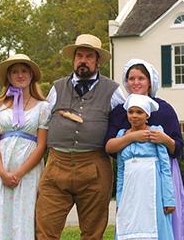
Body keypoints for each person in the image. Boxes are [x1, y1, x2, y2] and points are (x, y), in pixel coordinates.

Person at [35, 34, 125, 240]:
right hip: (56, 165)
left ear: (98, 61)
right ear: (73, 59)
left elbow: (127, 122)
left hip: (94, 168)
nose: (83, 61)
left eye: (89, 57)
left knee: (93, 234)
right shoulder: (57, 88)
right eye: (79, 56)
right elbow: (41, 122)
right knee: (45, 231)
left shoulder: (113, 91)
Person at [105, 59, 184, 240]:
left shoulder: (165, 110)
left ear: (150, 81)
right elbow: (110, 146)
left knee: (161, 221)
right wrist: (132, 137)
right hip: (132, 176)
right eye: (131, 78)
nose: (136, 83)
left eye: (141, 78)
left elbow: (178, 147)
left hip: (161, 174)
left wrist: (165, 139)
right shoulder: (121, 112)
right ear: (126, 81)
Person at [0, 54, 50, 240]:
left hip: (28, 171)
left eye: (24, 71)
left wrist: (20, 172)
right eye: (15, 71)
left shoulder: (42, 108)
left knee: (25, 211)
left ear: (31, 75)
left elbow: (41, 145)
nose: (19, 75)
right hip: (1, 168)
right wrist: (2, 172)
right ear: (8, 76)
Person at [109, 93, 176, 240]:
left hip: (153, 191)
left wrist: (169, 198)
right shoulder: (122, 135)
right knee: (129, 226)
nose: (134, 116)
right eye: (131, 111)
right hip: (130, 193)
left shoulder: (155, 132)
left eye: (139, 112)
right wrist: (119, 201)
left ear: (147, 115)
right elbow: (121, 171)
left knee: (155, 226)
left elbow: (165, 168)